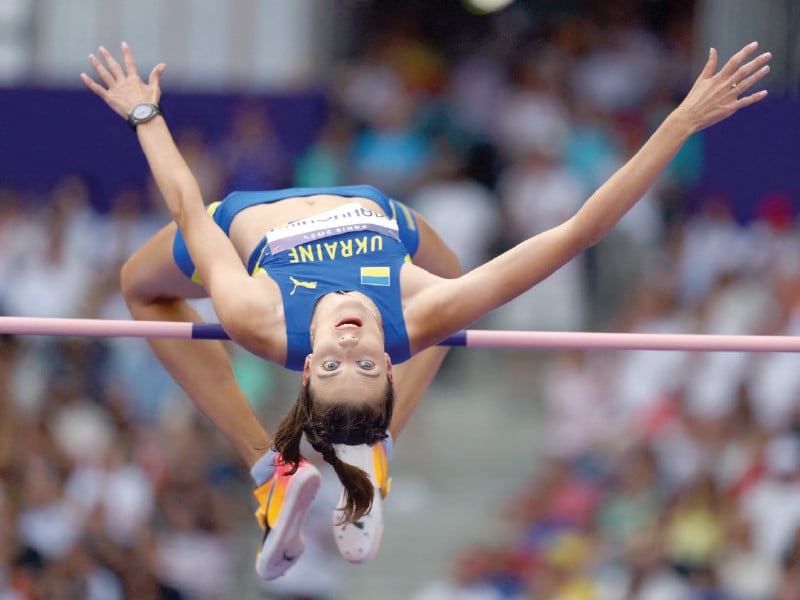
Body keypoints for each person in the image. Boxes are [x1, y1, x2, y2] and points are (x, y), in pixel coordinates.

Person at [80, 41, 771, 580]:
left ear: (306, 365)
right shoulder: (422, 313)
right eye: (364, 360)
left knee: (141, 288)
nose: (348, 338)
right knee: (457, 301)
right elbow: (579, 231)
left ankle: (269, 467)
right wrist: (680, 123)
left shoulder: (256, 314)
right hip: (384, 214)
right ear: (390, 358)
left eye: (330, 361)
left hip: (246, 217)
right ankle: (374, 456)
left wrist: (146, 112)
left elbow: (183, 200)